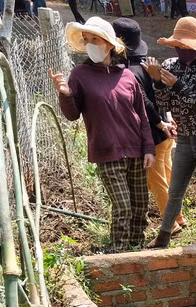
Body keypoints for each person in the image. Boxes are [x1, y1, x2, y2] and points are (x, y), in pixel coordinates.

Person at [51, 17, 154, 252]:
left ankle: (136, 248)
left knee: (140, 206)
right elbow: (72, 115)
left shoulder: (127, 76)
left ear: (109, 44)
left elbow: (142, 115)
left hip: (136, 151)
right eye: (86, 40)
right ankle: (119, 252)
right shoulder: (80, 75)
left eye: (95, 39)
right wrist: (65, 94)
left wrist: (148, 148)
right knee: (123, 207)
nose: (90, 44)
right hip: (106, 151)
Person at [145, 17, 196, 249]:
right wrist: (158, 81)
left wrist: (178, 85)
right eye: (178, 46)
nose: (181, 50)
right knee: (175, 191)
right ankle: (163, 237)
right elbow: (164, 103)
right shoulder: (170, 65)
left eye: (186, 46)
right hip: (184, 138)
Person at [112, 19, 181, 241]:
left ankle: (171, 224)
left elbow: (145, 103)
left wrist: (160, 123)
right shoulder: (148, 65)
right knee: (168, 175)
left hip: (154, 133)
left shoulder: (129, 73)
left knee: (156, 182)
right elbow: (161, 95)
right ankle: (178, 216)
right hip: (166, 131)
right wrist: (167, 118)